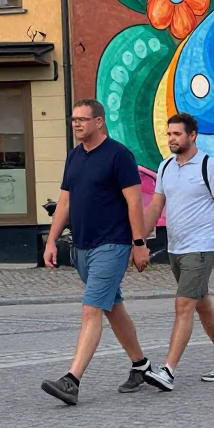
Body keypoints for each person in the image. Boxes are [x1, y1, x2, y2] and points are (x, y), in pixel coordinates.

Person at [41, 98, 151, 405]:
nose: (76, 124)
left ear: (99, 121)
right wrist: (51, 241)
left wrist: (139, 243)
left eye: (82, 119)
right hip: (83, 247)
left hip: (113, 244)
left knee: (91, 309)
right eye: (73, 119)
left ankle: (71, 381)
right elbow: (65, 202)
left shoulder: (119, 155)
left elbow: (134, 203)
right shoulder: (74, 157)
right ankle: (141, 366)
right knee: (111, 307)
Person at [142, 114, 214, 391]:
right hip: (176, 248)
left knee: (183, 306)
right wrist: (138, 240)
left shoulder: (209, 167)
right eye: (169, 134)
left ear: (193, 135)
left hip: (201, 248)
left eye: (177, 134)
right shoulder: (165, 167)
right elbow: (155, 208)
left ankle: (167, 370)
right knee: (202, 305)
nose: (172, 139)